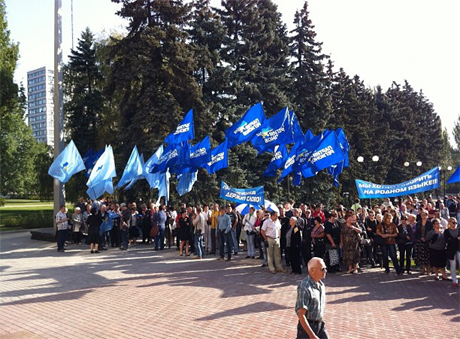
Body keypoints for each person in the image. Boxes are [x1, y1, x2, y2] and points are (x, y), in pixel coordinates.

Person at [295, 257, 329, 339]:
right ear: (312, 270)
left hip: (320, 325)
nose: (325, 271)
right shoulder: (305, 287)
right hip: (307, 328)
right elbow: (301, 314)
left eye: (325, 268)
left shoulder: (321, 285)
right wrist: (312, 336)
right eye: (322, 269)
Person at [414, 209, 433, 275]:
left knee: (427, 256)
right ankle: (423, 269)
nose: (423, 216)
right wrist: (420, 238)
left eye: (425, 215)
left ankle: (429, 270)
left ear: (427, 215)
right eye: (422, 215)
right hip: (420, 241)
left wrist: (426, 238)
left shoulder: (430, 223)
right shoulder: (418, 223)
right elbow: (417, 232)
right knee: (421, 256)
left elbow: (431, 232)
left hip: (427, 241)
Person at [444, 218, 460, 287]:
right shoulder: (447, 231)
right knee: (453, 265)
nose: (454, 224)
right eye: (453, 223)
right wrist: (456, 239)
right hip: (451, 250)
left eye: (456, 223)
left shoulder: (459, 230)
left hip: (459, 249)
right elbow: (447, 241)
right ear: (449, 223)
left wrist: (453, 240)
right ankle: (454, 280)